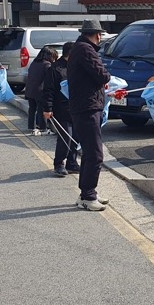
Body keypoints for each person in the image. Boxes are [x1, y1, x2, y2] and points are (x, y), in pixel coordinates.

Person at [67, 20, 111, 211]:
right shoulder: (86, 50)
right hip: (87, 107)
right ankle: (88, 195)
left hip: (83, 106)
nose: (100, 37)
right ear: (96, 34)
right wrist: (106, 78)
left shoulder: (79, 48)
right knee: (95, 153)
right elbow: (102, 75)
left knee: (88, 152)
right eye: (99, 34)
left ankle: (87, 191)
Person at [42, 41, 80, 177]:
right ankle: (59, 163)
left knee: (76, 136)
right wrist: (48, 109)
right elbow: (48, 90)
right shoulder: (55, 69)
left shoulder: (76, 67)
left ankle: (72, 163)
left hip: (75, 108)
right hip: (60, 109)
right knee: (66, 137)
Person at [25, 46, 57, 136]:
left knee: (32, 109)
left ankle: (31, 126)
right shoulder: (47, 65)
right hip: (40, 91)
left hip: (30, 90)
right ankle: (43, 128)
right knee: (41, 110)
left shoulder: (34, 62)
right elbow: (50, 80)